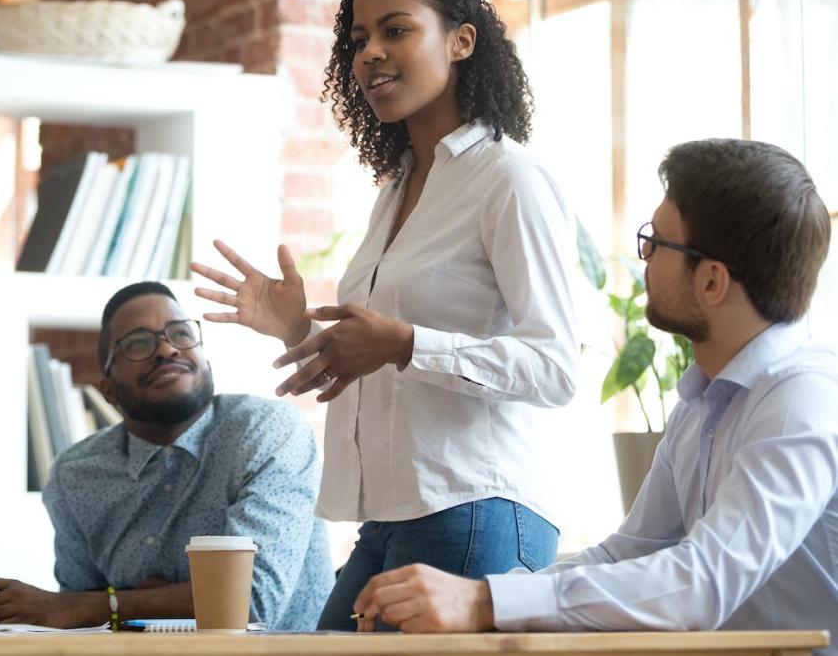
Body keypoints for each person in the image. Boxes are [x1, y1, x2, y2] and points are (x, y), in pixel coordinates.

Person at [191, 0, 580, 630]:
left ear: (462, 41)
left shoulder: (508, 180)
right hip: (392, 517)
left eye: (395, 30)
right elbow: (381, 353)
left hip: (478, 508)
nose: (370, 53)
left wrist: (403, 343)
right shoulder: (397, 189)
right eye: (358, 39)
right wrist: (295, 330)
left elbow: (554, 366)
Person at [351, 139, 837, 648]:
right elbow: (626, 554)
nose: (641, 258)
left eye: (657, 243)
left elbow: (701, 582)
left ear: (712, 281)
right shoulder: (704, 401)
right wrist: (481, 595)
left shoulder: (801, 401)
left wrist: (484, 604)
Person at [0, 282, 332, 630]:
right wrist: (146, 601)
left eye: (181, 334)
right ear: (108, 390)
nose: (167, 349)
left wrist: (112, 604)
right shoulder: (75, 476)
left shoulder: (266, 432)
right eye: (138, 343)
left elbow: (248, 603)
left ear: (206, 363)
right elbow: (81, 625)